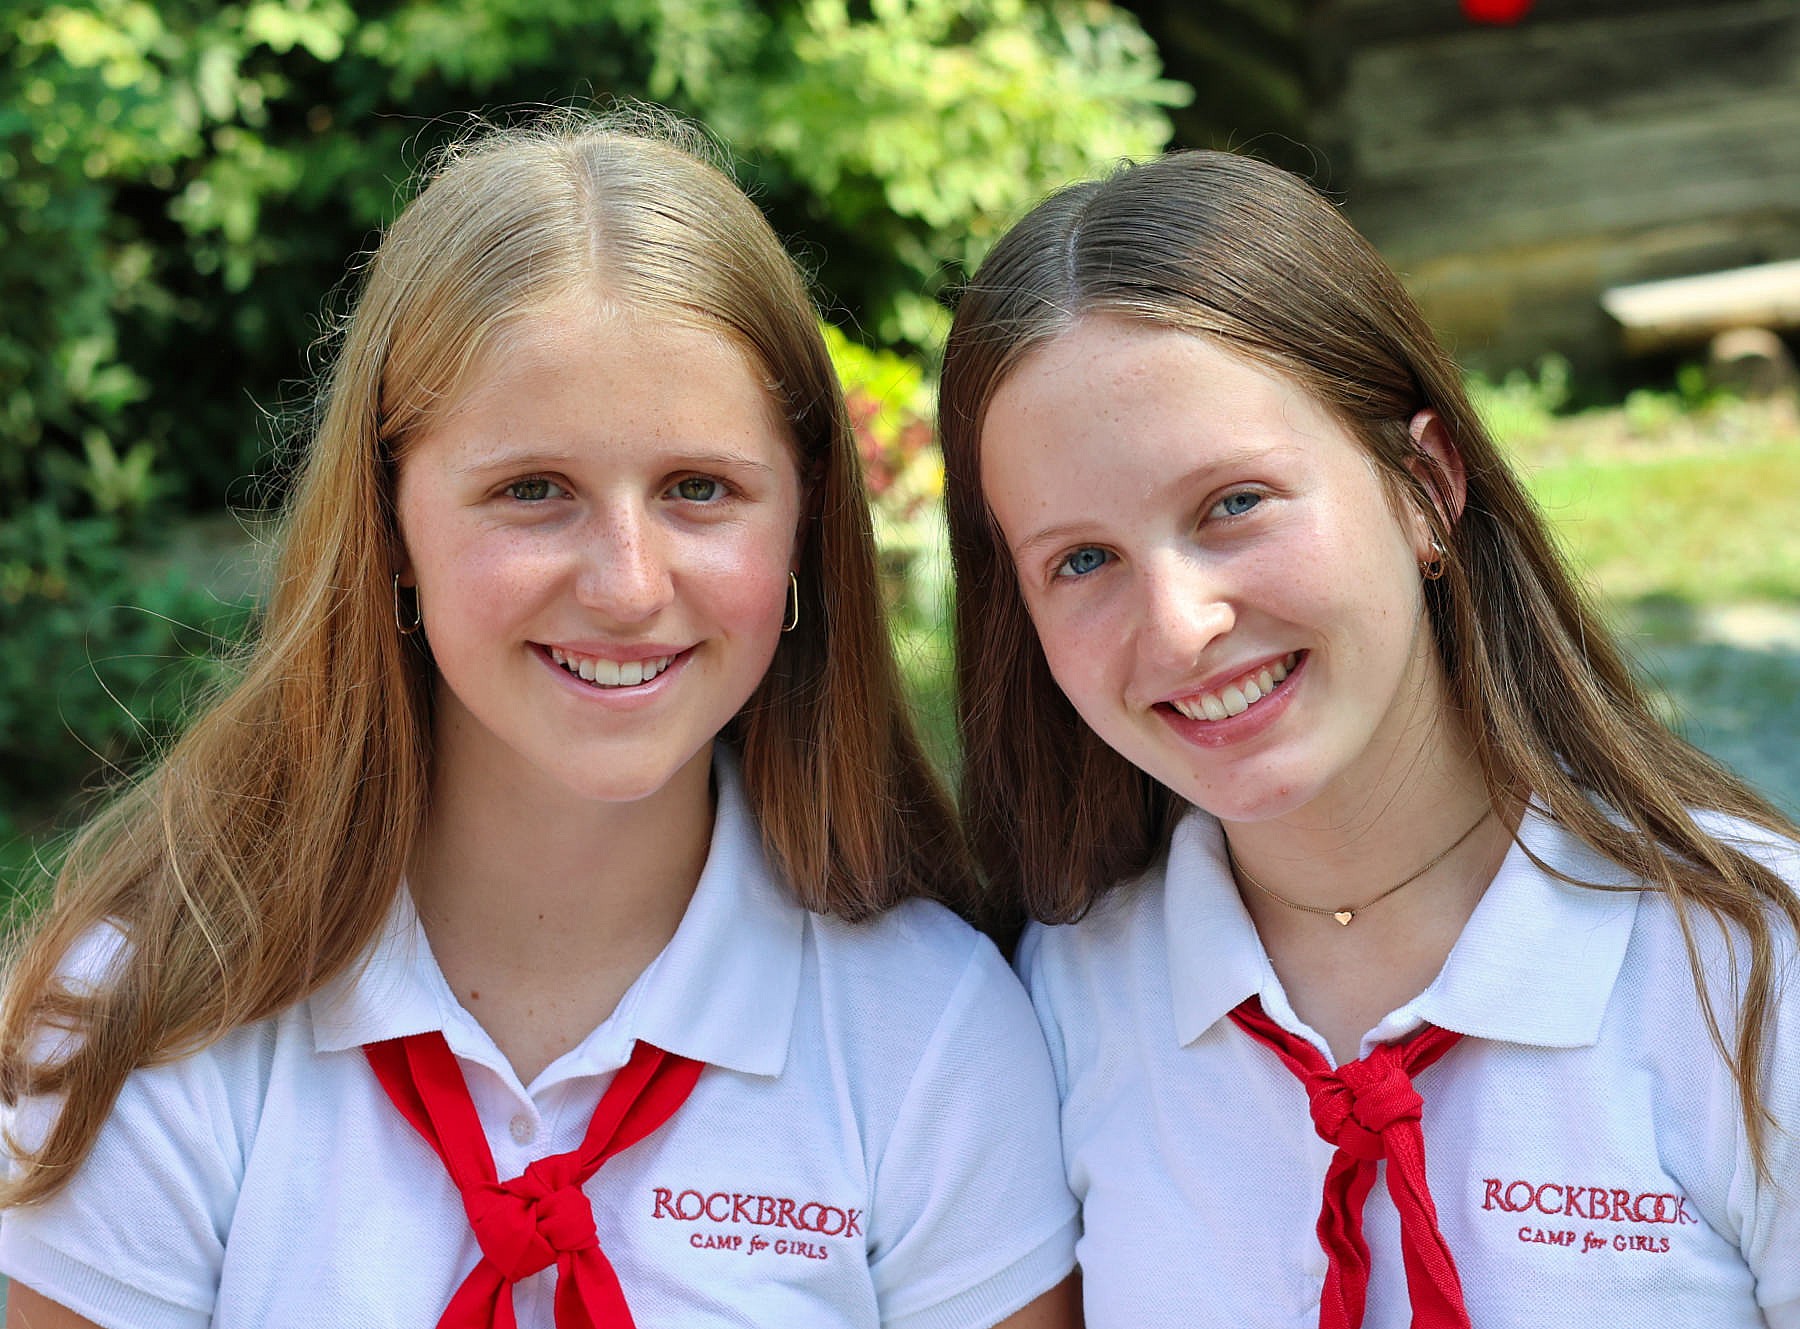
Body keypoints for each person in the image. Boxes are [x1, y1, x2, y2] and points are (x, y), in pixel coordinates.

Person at [0, 112, 1079, 1329]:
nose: (625, 584)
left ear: (804, 521)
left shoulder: (927, 1034)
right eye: (532, 491)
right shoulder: (163, 1010)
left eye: (699, 489)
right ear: (391, 522)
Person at [937, 149, 1800, 1328]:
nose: (1181, 628)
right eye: (1081, 560)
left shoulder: (1748, 975)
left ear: (1425, 482)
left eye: (1233, 504)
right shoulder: (1052, 1004)